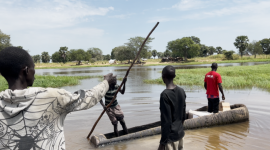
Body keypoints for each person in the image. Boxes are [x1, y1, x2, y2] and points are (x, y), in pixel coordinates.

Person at [0, 47, 114, 150]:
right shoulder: (52, 96)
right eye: (33, 67)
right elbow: (89, 97)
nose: (34, 72)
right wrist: (106, 83)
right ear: (26, 70)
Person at [158, 65, 186, 150]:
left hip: (170, 138)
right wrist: (179, 128)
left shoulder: (164, 95)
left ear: (163, 76)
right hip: (180, 134)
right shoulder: (181, 91)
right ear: (174, 76)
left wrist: (162, 143)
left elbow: (166, 121)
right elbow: (183, 114)